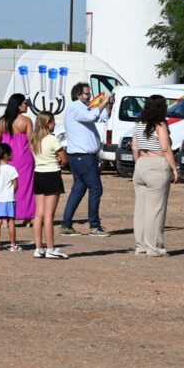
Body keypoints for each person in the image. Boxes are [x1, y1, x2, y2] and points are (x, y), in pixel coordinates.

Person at [60, 83, 114, 236]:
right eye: (86, 94)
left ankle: (66, 224)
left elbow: (102, 117)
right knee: (96, 188)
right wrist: (103, 101)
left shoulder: (83, 108)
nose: (90, 96)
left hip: (81, 156)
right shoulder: (76, 108)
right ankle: (94, 226)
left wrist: (109, 105)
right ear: (78, 95)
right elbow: (92, 116)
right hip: (83, 157)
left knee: (78, 189)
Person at [132, 95, 179, 257]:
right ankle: (154, 247)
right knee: (156, 209)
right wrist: (174, 169)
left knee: (141, 209)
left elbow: (134, 146)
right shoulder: (160, 124)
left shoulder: (139, 123)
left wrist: (139, 163)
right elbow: (165, 148)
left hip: (141, 165)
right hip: (156, 165)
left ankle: (141, 246)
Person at [31, 111, 70, 259]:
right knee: (49, 215)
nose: (55, 125)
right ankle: (51, 248)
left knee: (38, 214)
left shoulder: (34, 140)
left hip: (38, 174)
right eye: (53, 122)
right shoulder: (52, 139)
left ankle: (38, 247)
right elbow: (64, 159)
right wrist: (60, 160)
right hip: (52, 174)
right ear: (48, 123)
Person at [0, 94, 35, 225]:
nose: (27, 105)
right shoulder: (26, 121)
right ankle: (27, 217)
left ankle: (5, 217)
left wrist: (6, 142)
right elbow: (31, 141)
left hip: (7, 157)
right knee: (26, 187)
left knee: (6, 186)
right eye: (25, 103)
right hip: (25, 158)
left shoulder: (3, 121)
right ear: (18, 105)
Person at [0, 142, 19, 251]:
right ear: (6, 155)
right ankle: (12, 245)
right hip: (9, 199)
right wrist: (12, 193)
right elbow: (16, 184)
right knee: (11, 221)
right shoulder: (11, 169)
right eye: (10, 153)